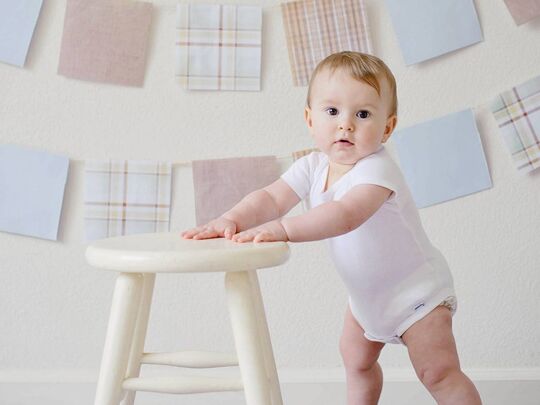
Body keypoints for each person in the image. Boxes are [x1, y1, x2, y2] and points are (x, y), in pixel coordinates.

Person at [182, 51, 482, 404]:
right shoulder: (311, 166)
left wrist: (283, 229)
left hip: (417, 295)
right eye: (332, 111)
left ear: (387, 127)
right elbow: (270, 198)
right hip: (366, 299)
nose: (346, 124)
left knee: (437, 372)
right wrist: (232, 218)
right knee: (355, 362)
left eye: (363, 114)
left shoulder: (377, 171)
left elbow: (345, 215)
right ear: (310, 119)